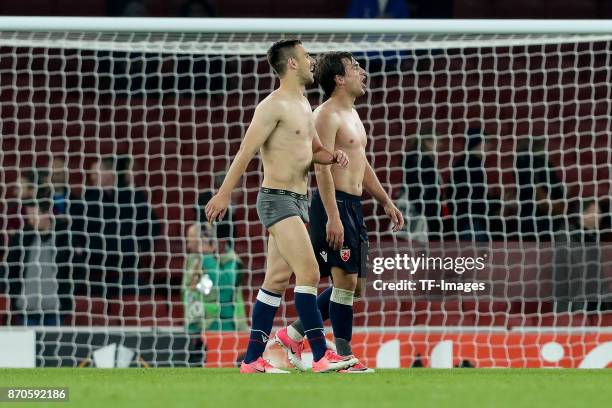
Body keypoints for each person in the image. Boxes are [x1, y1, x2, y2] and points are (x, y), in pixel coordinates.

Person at [205, 39, 355, 374]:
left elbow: (313, 149)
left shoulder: (302, 102)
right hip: (277, 199)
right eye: (306, 56)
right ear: (291, 64)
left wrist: (333, 156)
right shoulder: (271, 106)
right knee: (311, 273)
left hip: (299, 201)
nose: (312, 61)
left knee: (274, 281)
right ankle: (319, 355)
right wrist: (224, 193)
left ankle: (251, 359)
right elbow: (245, 151)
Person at [274, 51, 404, 373]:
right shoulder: (325, 115)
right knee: (344, 283)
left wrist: (385, 200)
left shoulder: (353, 115)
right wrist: (333, 215)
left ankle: (293, 334)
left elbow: (361, 163)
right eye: (354, 67)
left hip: (354, 206)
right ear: (339, 79)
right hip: (335, 205)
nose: (362, 71)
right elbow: (322, 169)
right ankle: (345, 358)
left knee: (355, 286)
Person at [71, 156, 159, 297]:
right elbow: (75, 230)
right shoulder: (85, 202)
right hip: (96, 275)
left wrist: (142, 246)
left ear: (109, 172)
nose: (92, 178)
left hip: (128, 271)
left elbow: (152, 224)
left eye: (96, 173)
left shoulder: (133, 197)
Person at [4, 189, 74, 326]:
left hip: (55, 310)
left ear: (46, 214)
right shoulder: (21, 238)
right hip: (26, 309)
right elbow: (10, 270)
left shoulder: (64, 238)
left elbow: (74, 271)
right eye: (29, 215)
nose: (30, 220)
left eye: (34, 215)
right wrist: (15, 298)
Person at [447, 128, 490, 242]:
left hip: (467, 220)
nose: (488, 146)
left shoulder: (468, 164)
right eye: (485, 142)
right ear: (476, 143)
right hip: (470, 221)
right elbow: (473, 198)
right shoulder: (471, 166)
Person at [402, 129, 443, 241]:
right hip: (424, 210)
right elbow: (418, 188)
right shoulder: (421, 160)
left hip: (424, 209)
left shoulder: (418, 158)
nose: (440, 145)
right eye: (438, 141)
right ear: (427, 142)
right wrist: (424, 211)